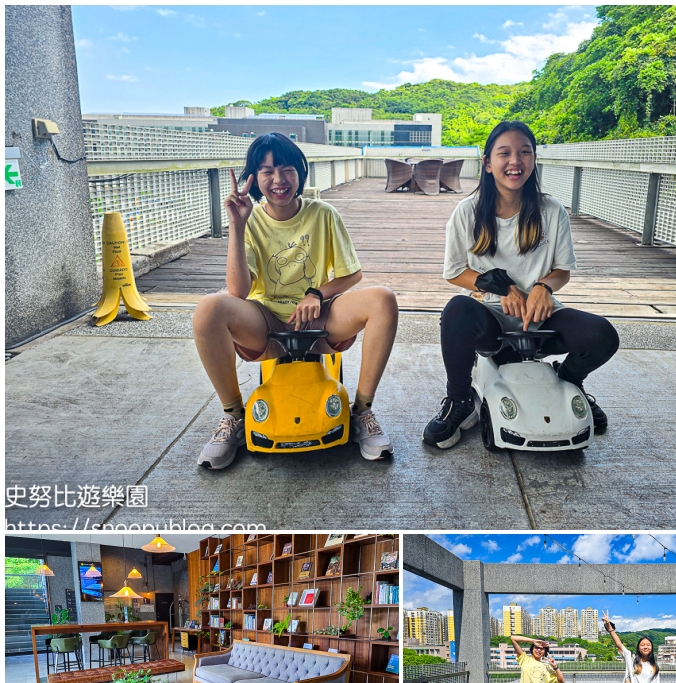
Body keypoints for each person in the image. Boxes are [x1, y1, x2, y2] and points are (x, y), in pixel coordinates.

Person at [193, 133, 398, 468]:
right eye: (267, 171)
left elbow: (352, 275)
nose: (279, 179)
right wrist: (236, 225)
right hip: (266, 321)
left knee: (383, 300)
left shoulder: (323, 214)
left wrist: (317, 293)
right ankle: (234, 416)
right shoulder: (250, 220)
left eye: (287, 169)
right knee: (208, 309)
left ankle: (362, 411)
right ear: (254, 178)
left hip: (320, 319)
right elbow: (238, 291)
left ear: (300, 173)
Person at [423, 120, 620, 449]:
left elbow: (562, 270)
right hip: (490, 319)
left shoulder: (552, 210)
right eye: (504, 153)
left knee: (603, 335)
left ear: (533, 159)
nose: (515, 161)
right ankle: (459, 400)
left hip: (540, 320)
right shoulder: (467, 212)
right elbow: (454, 272)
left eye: (524, 152)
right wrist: (496, 286)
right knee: (456, 310)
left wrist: (544, 287)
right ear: (487, 163)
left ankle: (569, 381)